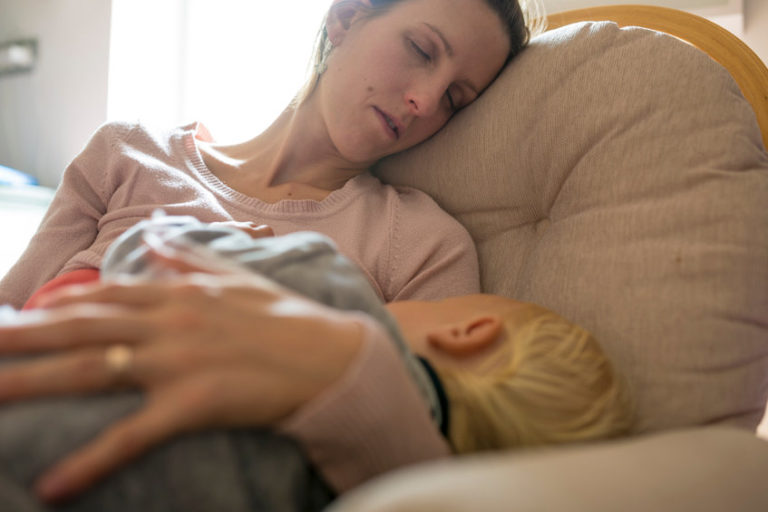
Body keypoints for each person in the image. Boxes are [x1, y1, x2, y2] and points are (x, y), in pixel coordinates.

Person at [0, 214, 631, 510]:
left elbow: (148, 250)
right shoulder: (355, 490)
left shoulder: (334, 284)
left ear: (470, 329)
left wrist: (227, 237)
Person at [0, 0, 543, 310]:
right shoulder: (128, 153)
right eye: (421, 49)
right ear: (347, 17)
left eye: (455, 99)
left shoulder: (422, 245)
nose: (424, 102)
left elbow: (422, 451)